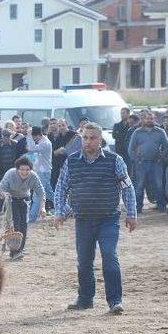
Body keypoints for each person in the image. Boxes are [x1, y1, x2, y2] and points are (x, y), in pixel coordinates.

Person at [54, 122, 137, 315]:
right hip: (83, 220)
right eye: (85, 138)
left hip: (109, 219)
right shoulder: (71, 161)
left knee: (109, 257)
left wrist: (131, 214)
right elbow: (61, 188)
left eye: (92, 138)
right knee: (84, 261)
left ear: (100, 140)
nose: (88, 141)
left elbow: (127, 187)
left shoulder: (114, 160)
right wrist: (60, 211)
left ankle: (115, 301)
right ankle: (85, 299)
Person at [0, 156, 45, 260]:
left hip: (24, 199)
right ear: (17, 169)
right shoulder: (10, 174)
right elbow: (0, 189)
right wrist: (4, 194)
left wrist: (42, 208)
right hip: (11, 199)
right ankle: (15, 251)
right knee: (16, 224)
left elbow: (41, 193)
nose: (25, 172)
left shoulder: (33, 176)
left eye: (27, 170)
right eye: (22, 170)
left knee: (24, 225)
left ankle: (20, 250)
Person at [128, 112, 168, 212]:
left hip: (156, 163)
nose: (149, 120)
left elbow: (167, 147)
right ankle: (138, 208)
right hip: (142, 164)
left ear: (154, 119)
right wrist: (136, 160)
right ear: (143, 120)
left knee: (159, 185)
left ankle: (161, 207)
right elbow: (130, 149)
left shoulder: (160, 132)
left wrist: (162, 157)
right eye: (147, 118)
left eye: (151, 118)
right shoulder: (137, 132)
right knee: (139, 187)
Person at [26, 126, 54, 219]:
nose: (33, 139)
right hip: (43, 172)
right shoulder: (43, 142)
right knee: (49, 194)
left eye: (33, 137)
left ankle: (32, 217)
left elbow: (30, 148)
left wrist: (29, 135)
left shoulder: (45, 143)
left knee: (37, 195)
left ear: (37, 136)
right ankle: (67, 210)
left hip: (43, 172)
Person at [0, 130, 18, 213]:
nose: (7, 138)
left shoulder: (14, 144)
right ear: (2, 136)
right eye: (5, 136)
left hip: (11, 170)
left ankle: (8, 209)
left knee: (10, 190)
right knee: (0, 190)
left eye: (8, 136)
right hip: (0, 171)